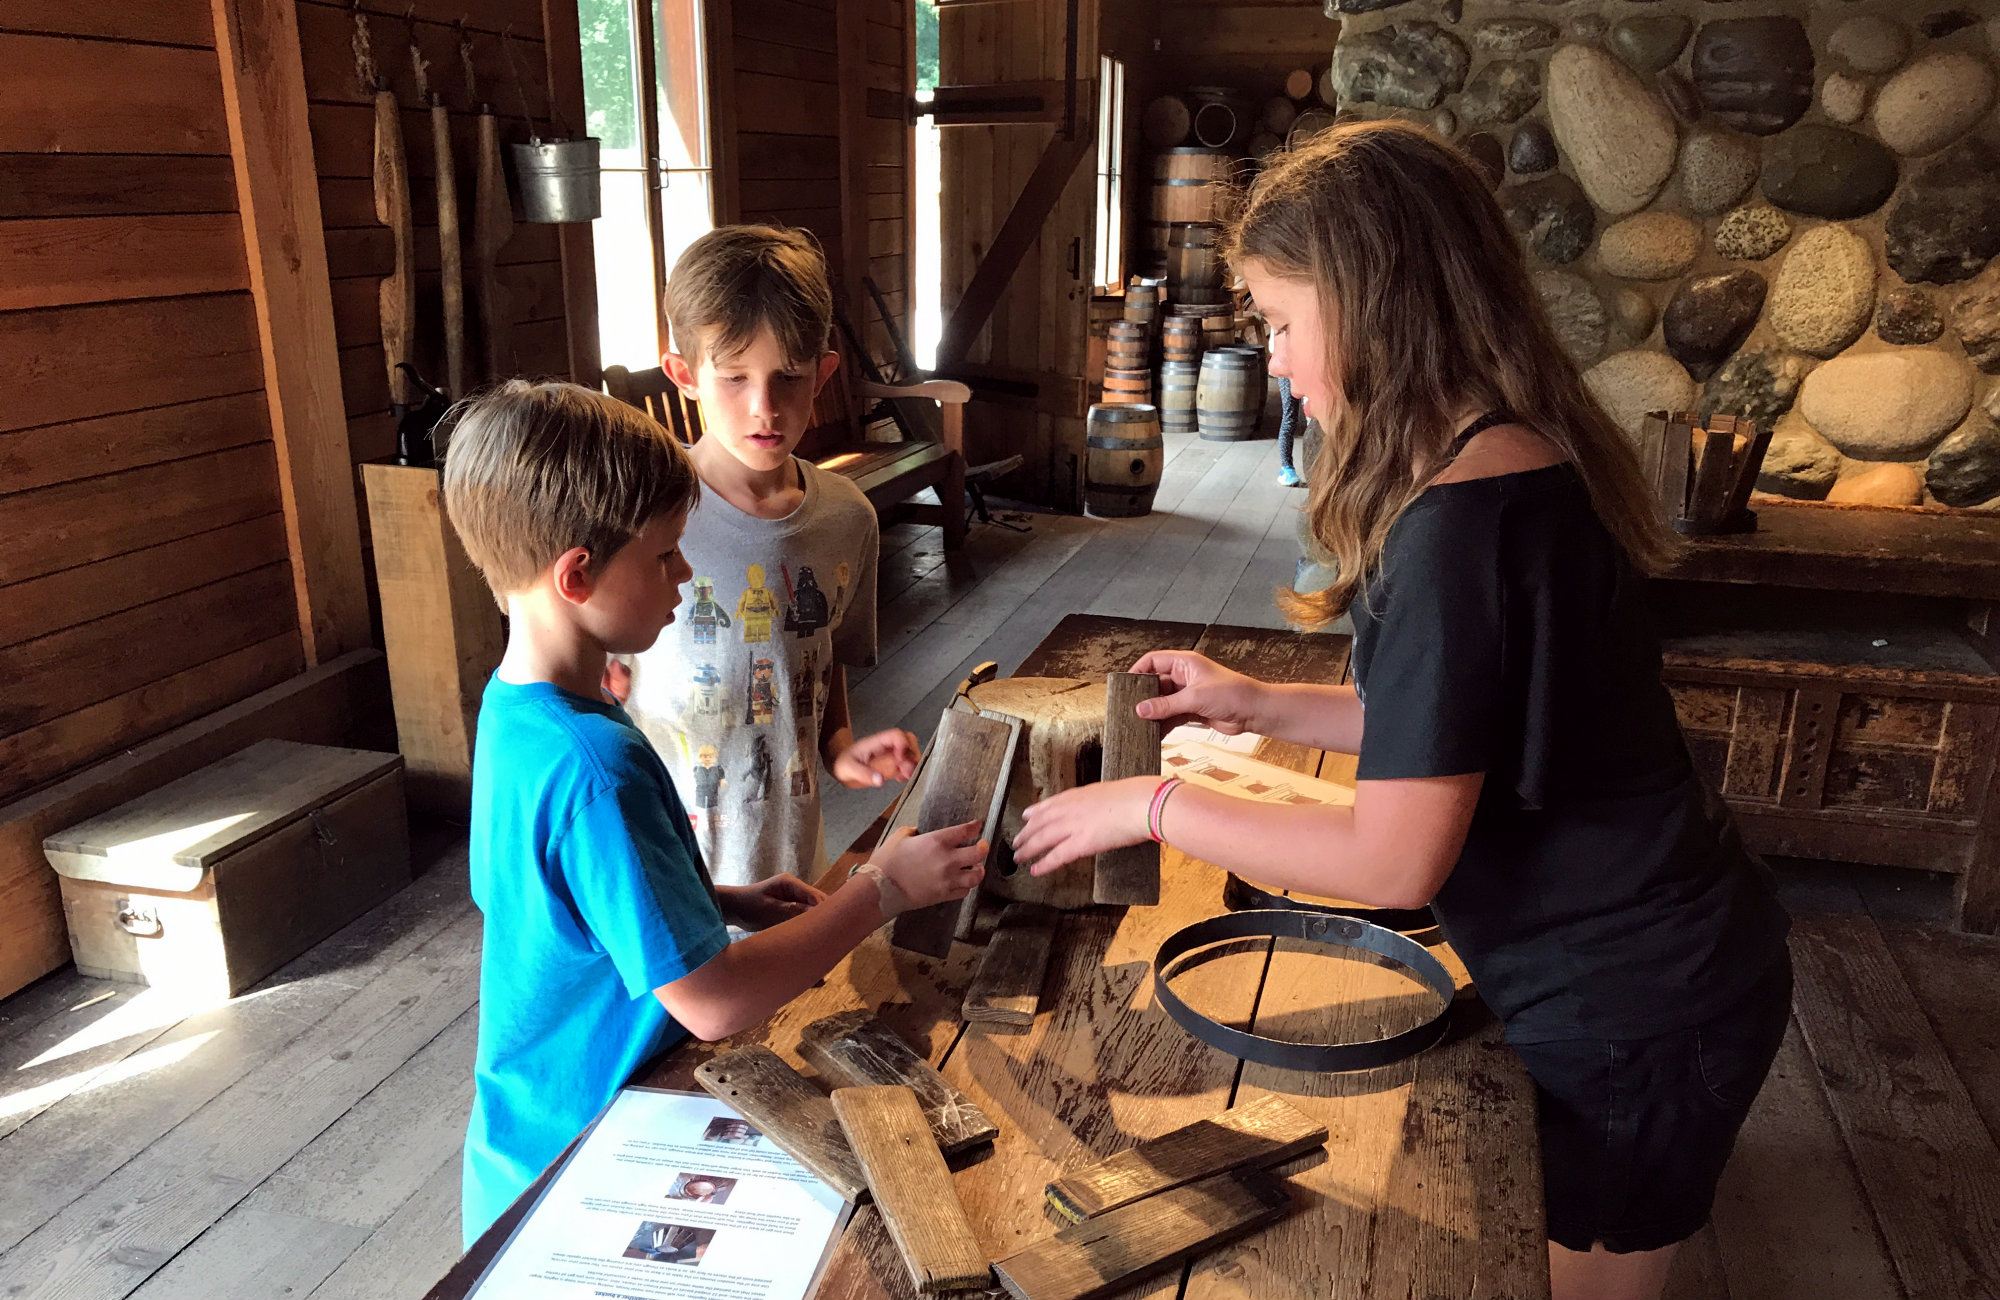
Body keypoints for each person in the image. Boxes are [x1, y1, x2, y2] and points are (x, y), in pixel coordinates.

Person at [1009, 121, 1791, 1300]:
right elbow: (1458, 726)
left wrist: (1153, 804)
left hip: (1634, 998)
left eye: (1279, 321)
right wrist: (1256, 700)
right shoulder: (1510, 457)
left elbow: (1390, 857)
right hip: (1659, 960)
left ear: (1372, 300)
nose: (1270, 359)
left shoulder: (1456, 527)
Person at [443, 381, 987, 1247]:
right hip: (586, 1162)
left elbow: (563, 907)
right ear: (576, 576)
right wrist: (878, 891)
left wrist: (719, 901)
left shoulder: (521, 714)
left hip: (522, 1131)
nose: (687, 574)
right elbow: (712, 1003)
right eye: (664, 557)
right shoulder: (598, 764)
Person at [616, 224, 920, 890]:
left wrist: (839, 747)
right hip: (662, 879)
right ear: (684, 375)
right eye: (733, 378)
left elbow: (819, 656)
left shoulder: (846, 520)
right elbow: (599, 688)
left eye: (789, 377)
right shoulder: (638, 523)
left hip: (790, 870)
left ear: (825, 375)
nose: (765, 407)